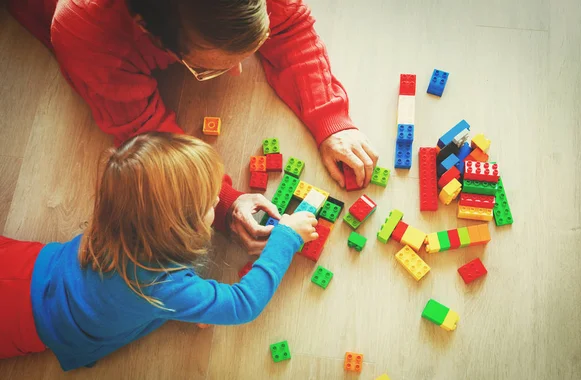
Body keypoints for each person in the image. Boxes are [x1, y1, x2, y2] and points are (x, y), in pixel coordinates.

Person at [7, 0, 379, 253]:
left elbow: (291, 26)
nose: (236, 72)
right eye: (210, 68)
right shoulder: (87, 33)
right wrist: (223, 201)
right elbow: (146, 133)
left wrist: (330, 120)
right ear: (149, 30)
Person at [0, 132, 318, 371]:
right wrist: (286, 239)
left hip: (27, 263)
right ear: (180, 228)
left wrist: (197, 304)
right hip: (26, 323)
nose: (217, 204)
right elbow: (243, 304)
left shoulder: (121, 215)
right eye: (211, 204)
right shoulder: (162, 287)